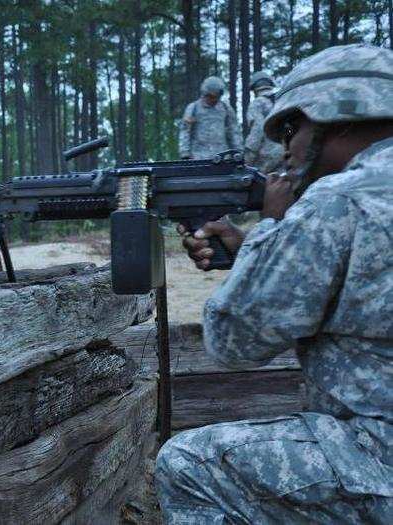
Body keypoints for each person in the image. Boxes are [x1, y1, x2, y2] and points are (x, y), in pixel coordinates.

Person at [155, 43, 393, 523]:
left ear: (337, 118)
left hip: (380, 458)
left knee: (187, 463)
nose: (286, 147)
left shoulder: (335, 202)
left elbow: (233, 343)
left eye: (291, 127)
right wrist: (258, 250)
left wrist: (271, 231)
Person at [178, 76, 242, 160]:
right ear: (205, 94)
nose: (214, 99)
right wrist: (185, 153)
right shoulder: (193, 108)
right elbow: (185, 131)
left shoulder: (226, 108)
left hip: (222, 158)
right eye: (211, 96)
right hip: (198, 158)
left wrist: (238, 152)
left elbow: (233, 131)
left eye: (217, 97)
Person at [244, 70, 284, 173]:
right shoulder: (282, 100)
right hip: (287, 153)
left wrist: (248, 157)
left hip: (267, 158)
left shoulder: (257, 104)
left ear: (253, 89)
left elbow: (258, 130)